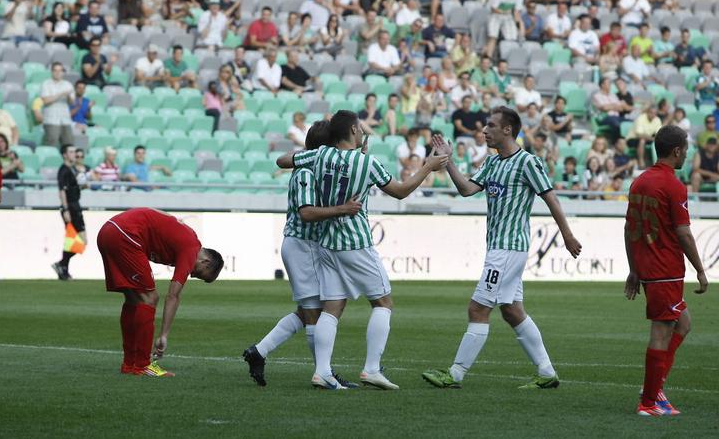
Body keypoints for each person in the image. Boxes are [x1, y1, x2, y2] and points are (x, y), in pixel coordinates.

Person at [275, 110, 449, 390]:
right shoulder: (367, 163)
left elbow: (283, 160)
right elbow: (401, 191)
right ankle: (371, 369)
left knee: (332, 307)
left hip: (327, 242)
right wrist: (428, 166)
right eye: (361, 127)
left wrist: (313, 154)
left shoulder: (319, 155)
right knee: (383, 302)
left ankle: (322, 372)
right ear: (354, 130)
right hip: (355, 241)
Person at [422, 107, 582, 390]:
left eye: (491, 125)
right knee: (511, 310)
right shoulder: (493, 162)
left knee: (478, 308)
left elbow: (551, 199)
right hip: (499, 248)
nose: (484, 130)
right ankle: (547, 372)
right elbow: (467, 189)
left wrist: (567, 235)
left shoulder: (527, 162)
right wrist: (448, 161)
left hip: (509, 248)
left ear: (508, 130)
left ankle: (455, 374)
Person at [243, 121, 362, 388]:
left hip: (306, 245)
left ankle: (258, 352)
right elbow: (306, 213)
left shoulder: (316, 168)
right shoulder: (306, 172)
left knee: (305, 311)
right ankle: (324, 373)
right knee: (314, 314)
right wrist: (342, 209)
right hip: (302, 245)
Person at [624, 125, 708, 416]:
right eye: (686, 150)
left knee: (683, 324)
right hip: (665, 269)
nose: (687, 154)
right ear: (677, 151)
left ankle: (655, 385)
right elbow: (683, 233)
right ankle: (648, 402)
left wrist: (634, 269)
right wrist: (700, 270)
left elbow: (628, 228)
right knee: (661, 333)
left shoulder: (639, 181)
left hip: (649, 268)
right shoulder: (673, 185)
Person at [97, 207, 224, 377]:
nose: (192, 275)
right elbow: (173, 296)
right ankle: (143, 365)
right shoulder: (191, 248)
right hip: (126, 234)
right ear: (205, 262)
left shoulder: (185, 239)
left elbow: (162, 216)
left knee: (133, 299)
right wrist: (164, 335)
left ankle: (129, 364)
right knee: (150, 297)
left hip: (108, 231)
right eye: (199, 274)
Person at [52, 145, 85, 281]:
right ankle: (62, 265)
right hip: (70, 207)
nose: (74, 154)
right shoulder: (64, 170)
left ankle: (62, 265)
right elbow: (62, 190)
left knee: (77, 241)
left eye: (74, 152)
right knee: (77, 240)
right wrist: (65, 209)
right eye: (71, 152)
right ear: (64, 155)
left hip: (76, 206)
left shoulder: (72, 169)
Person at [41, 62, 75, 147]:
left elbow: (72, 102)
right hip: (51, 119)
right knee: (51, 143)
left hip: (65, 119)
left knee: (68, 144)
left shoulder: (68, 84)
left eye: (60, 71)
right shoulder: (46, 84)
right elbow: (45, 100)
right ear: (52, 72)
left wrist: (68, 96)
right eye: (55, 70)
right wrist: (61, 94)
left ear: (63, 72)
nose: (58, 73)